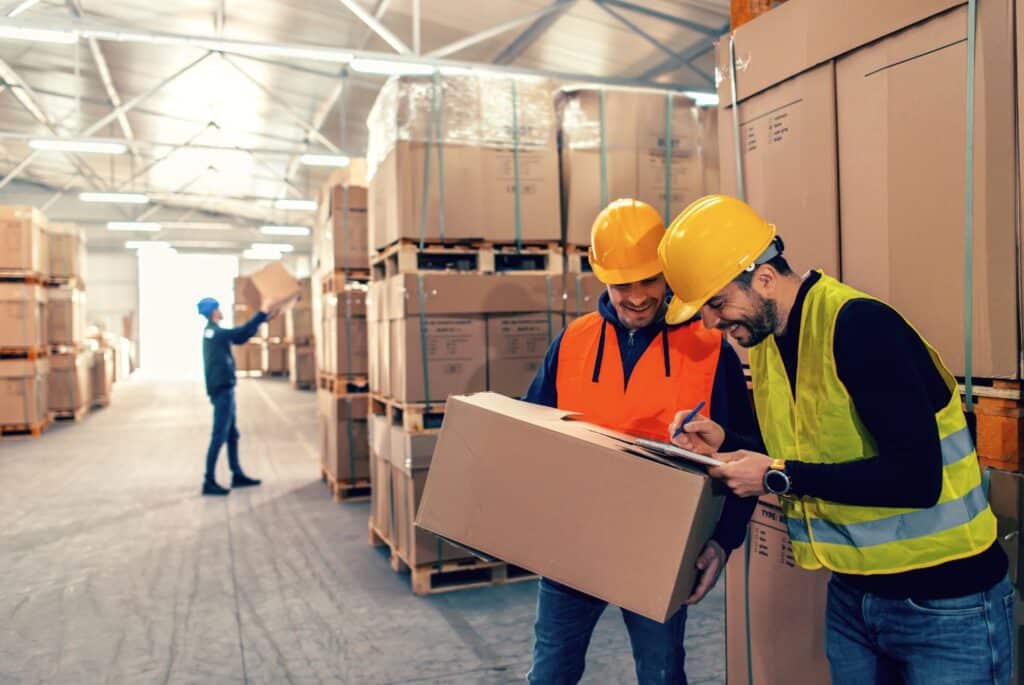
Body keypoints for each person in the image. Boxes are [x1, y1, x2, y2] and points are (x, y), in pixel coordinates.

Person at [661, 194, 1013, 685]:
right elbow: (810, 443)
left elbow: (916, 479)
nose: (712, 323)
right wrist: (727, 442)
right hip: (853, 597)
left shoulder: (861, 327)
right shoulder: (765, 339)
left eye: (717, 303)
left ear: (763, 276)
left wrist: (775, 476)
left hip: (943, 602)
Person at [523, 199, 758, 685]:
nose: (636, 296)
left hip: (661, 547)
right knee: (550, 674)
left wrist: (723, 540)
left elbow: (746, 449)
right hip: (573, 543)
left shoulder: (710, 346)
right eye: (622, 283)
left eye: (648, 281)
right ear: (601, 278)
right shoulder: (573, 342)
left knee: (662, 674)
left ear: (666, 275)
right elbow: (529, 434)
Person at [197, 295, 282, 496]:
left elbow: (241, 336)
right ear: (213, 312)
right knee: (219, 435)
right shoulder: (214, 332)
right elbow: (239, 333)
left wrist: (264, 319)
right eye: (218, 308)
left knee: (232, 434)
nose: (220, 310)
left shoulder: (214, 332)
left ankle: (237, 474)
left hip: (226, 388)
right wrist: (261, 312)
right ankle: (208, 480)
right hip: (222, 390)